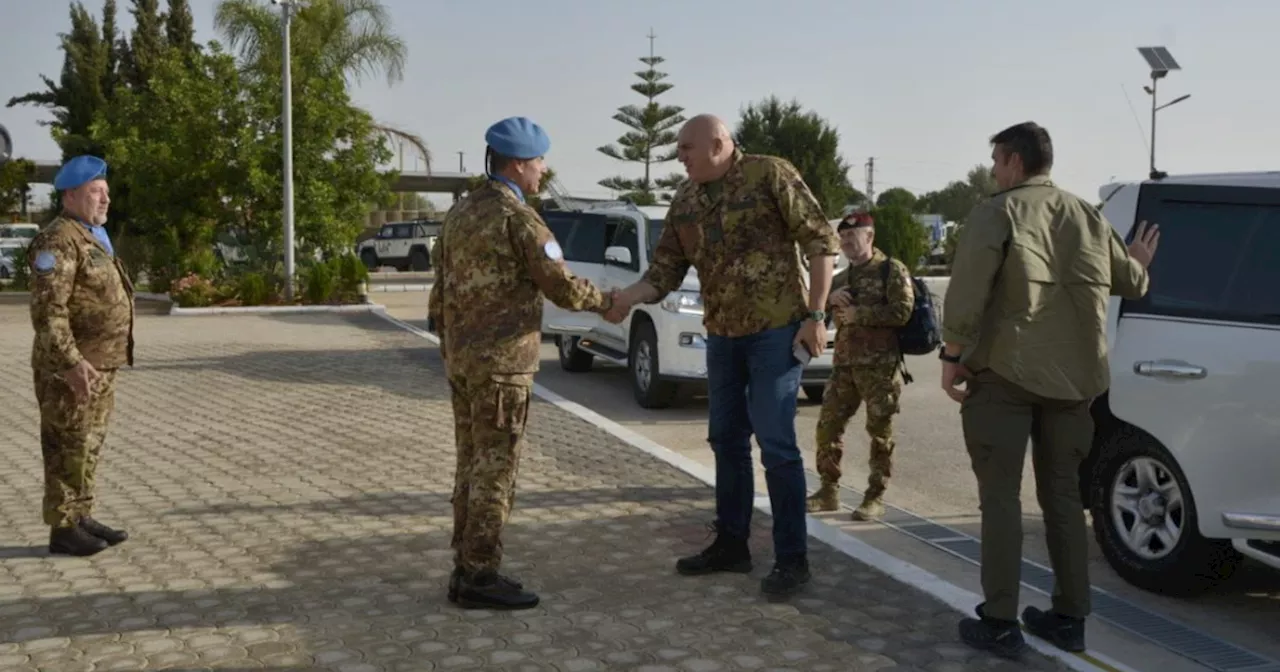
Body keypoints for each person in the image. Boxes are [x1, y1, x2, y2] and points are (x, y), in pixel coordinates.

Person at [942, 122, 1160, 658]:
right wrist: (1137, 259)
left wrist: (951, 356)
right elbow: (1130, 282)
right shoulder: (1089, 215)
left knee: (1001, 499)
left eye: (996, 160)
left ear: (1015, 162)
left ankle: (999, 620)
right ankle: (1069, 618)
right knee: (1063, 499)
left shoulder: (998, 211)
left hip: (1006, 376)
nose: (994, 171)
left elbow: (967, 291)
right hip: (1076, 384)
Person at [608, 114, 839, 597]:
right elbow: (666, 270)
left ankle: (792, 559)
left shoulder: (769, 174)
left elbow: (820, 241)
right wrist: (626, 298)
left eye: (687, 148)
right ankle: (732, 546)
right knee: (725, 440)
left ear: (718, 144)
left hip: (776, 333)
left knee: (776, 444)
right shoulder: (687, 199)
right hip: (723, 336)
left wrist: (816, 316)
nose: (680, 157)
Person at [430, 116, 618, 610]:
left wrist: (453, 346)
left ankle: (463, 567)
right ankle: (479, 575)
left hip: (463, 364)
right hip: (503, 368)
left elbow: (438, 293)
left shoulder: (460, 213)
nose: (543, 169)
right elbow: (560, 284)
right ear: (517, 162)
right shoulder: (520, 219)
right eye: (539, 161)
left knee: (470, 465)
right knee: (496, 471)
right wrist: (606, 302)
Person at [27, 155, 135, 557]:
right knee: (65, 444)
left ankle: (81, 515)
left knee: (88, 445)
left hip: (100, 364)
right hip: (71, 369)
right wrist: (71, 362)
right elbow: (48, 312)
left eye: (106, 192)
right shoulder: (57, 240)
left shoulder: (90, 235)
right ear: (70, 195)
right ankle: (63, 528)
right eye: (96, 192)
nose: (105, 200)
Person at [807, 211, 913, 521]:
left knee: (880, 434)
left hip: (879, 369)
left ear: (869, 237)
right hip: (844, 367)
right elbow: (819, 305)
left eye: (852, 238)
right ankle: (828, 491)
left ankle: (875, 496)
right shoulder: (843, 277)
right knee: (827, 427)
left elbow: (902, 311)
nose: (847, 244)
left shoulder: (890, 270)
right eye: (843, 239)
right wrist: (829, 299)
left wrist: (859, 314)